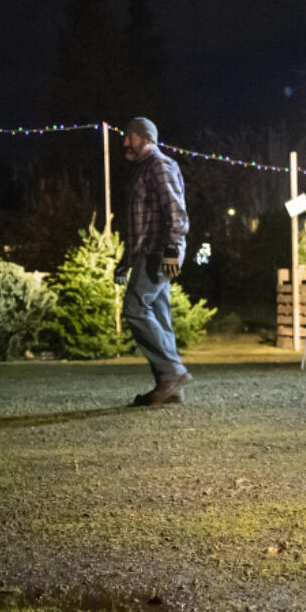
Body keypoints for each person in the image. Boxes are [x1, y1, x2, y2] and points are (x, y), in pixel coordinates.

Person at [114, 117, 192, 406]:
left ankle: (172, 372)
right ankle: (168, 388)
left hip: (159, 253)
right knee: (158, 316)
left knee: (135, 309)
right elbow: (139, 225)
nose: (125, 142)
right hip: (149, 252)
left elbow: (175, 209)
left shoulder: (160, 165)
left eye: (130, 136)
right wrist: (125, 262)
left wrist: (172, 248)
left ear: (145, 137)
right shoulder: (144, 170)